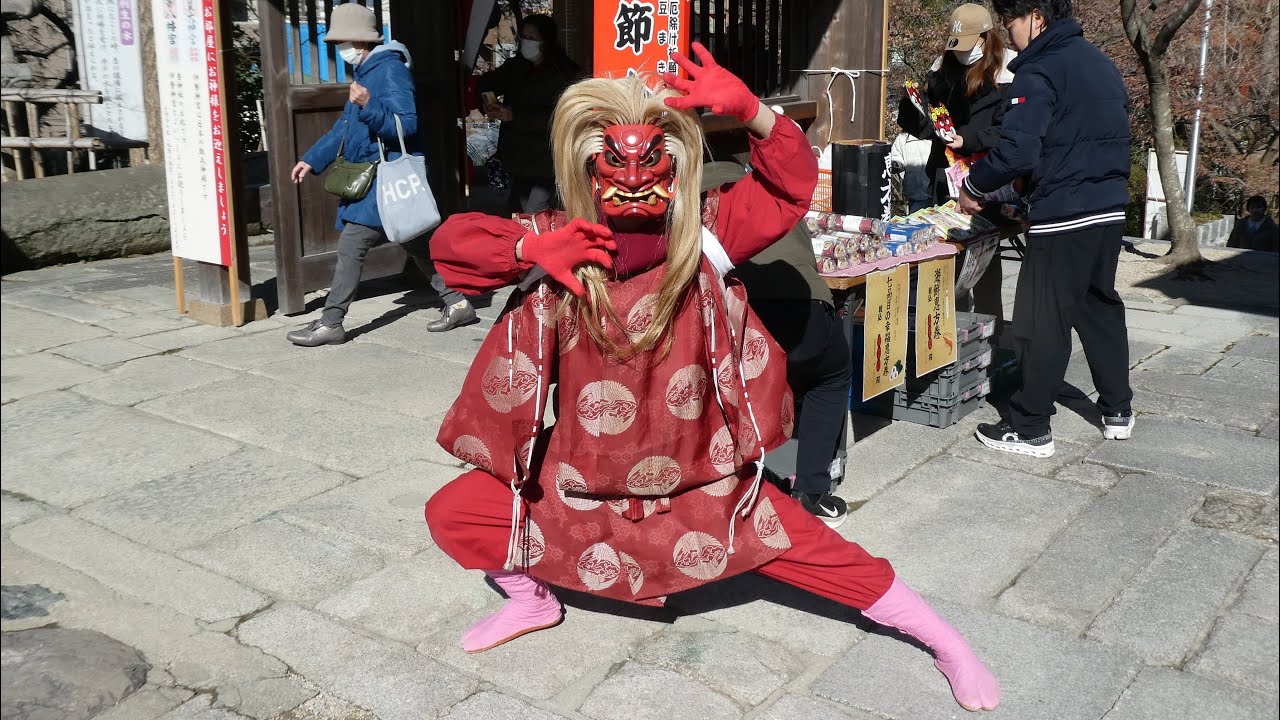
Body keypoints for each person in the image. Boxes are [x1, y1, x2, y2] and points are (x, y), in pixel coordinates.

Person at [423, 46, 1000, 713]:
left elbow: (787, 189)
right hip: (576, 478)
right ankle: (533, 601)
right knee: (455, 513)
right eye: (616, 161)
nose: (634, 179)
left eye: (651, 163)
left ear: (675, 164)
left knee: (821, 553)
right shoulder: (558, 237)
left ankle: (943, 639)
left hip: (697, 479)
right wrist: (528, 248)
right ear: (588, 163)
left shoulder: (708, 230)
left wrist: (756, 113)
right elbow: (453, 248)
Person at [957, 0, 1134, 457]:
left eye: (1010, 21)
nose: (1007, 31)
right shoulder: (1101, 64)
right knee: (1098, 305)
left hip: (1065, 213)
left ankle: (1030, 424)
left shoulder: (1038, 72)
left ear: (1036, 16)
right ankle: (1118, 409)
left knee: (1041, 317)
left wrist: (974, 185)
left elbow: (1018, 151)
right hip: (1108, 206)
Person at [285, 4, 476, 344]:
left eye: (342, 41)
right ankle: (457, 301)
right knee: (416, 243)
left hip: (383, 178)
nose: (339, 49)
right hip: (376, 178)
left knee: (352, 245)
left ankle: (331, 323)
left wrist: (368, 103)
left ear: (359, 40)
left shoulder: (389, 71)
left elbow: (407, 124)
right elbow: (343, 130)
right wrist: (312, 160)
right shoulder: (364, 73)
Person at [709, 161, 852, 528]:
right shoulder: (771, 188)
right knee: (831, 375)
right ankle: (812, 492)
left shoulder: (686, 199)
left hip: (735, 320)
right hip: (804, 310)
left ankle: (729, 487)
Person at [897, 3, 1017, 206]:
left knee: (984, 234)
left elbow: (1011, 131)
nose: (961, 52)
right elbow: (926, 126)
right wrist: (911, 103)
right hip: (945, 176)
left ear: (986, 37)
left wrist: (967, 140)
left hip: (989, 178)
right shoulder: (941, 69)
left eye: (968, 45)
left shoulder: (1010, 72)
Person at [475, 14, 582, 214]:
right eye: (524, 37)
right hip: (517, 158)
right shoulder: (515, 67)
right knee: (520, 211)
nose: (527, 42)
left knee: (535, 210)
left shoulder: (564, 73)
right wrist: (488, 103)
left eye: (533, 37)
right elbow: (485, 84)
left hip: (548, 161)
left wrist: (514, 116)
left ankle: (538, 244)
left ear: (546, 40)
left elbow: (561, 117)